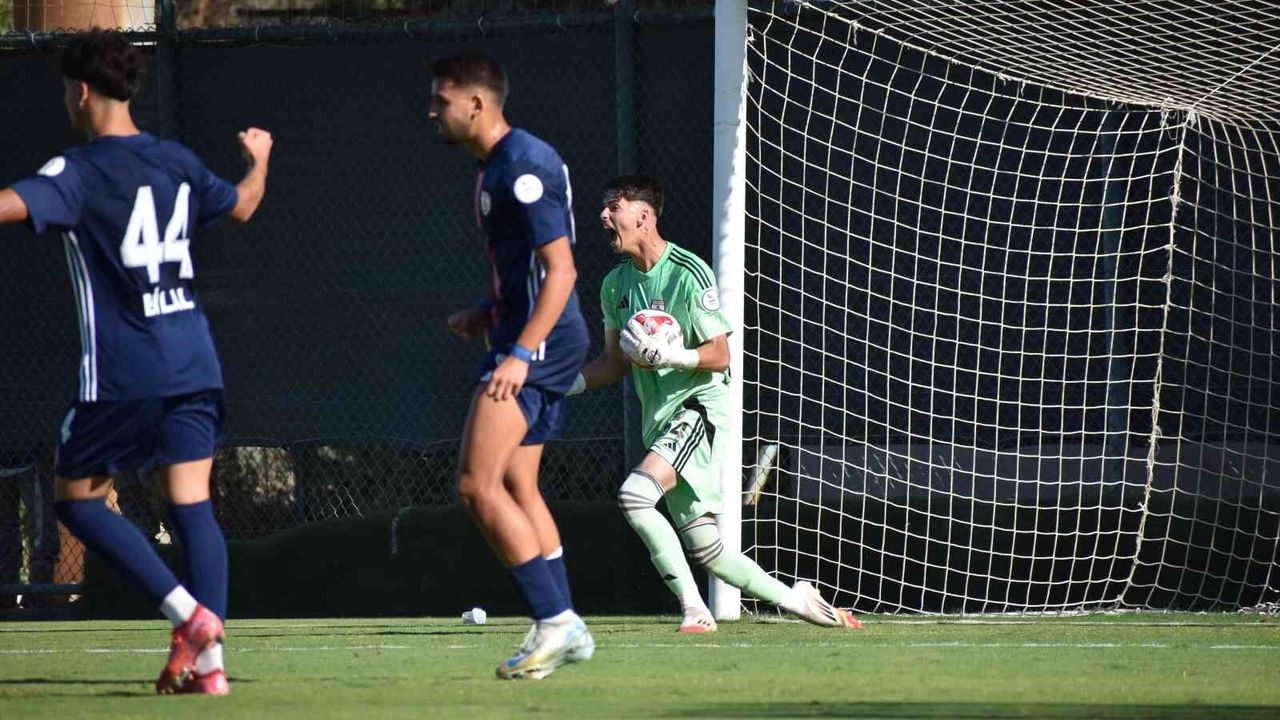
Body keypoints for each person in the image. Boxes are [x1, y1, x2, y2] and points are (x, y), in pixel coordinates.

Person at [0, 29, 272, 695]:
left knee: (77, 501)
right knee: (191, 503)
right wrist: (259, 159)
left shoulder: (78, 171)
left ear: (81, 91)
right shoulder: (176, 161)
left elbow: (8, 206)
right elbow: (242, 205)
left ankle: (189, 616)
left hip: (124, 373)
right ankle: (210, 667)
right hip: (194, 363)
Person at [566, 175, 863, 632]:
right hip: (661, 420)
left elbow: (720, 354)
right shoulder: (614, 285)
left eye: (614, 207)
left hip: (699, 409)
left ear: (643, 216)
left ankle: (695, 610)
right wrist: (562, 385)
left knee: (635, 495)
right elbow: (613, 362)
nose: (603, 216)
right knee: (709, 549)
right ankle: (799, 600)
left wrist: (672, 356)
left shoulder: (689, 272)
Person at [428, 51, 594, 680]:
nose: (433, 111)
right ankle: (565, 625)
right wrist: (485, 309)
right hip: (526, 334)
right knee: (519, 484)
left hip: (538, 345)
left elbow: (562, 270)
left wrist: (522, 353)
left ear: (476, 103)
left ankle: (556, 621)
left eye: (442, 100)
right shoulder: (496, 164)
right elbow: (523, 267)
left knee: (476, 485)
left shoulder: (523, 164)